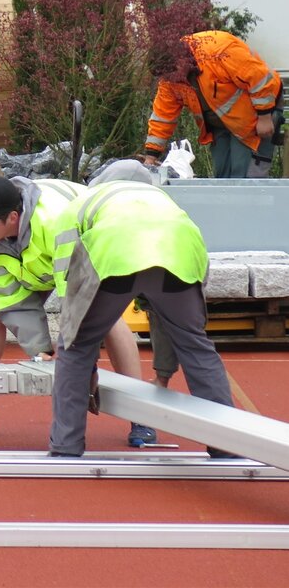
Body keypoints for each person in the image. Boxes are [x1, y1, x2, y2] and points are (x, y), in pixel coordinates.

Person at [0, 174, 157, 447]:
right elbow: (8, 299)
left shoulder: (56, 224)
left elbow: (77, 302)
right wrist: (41, 352)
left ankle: (142, 414)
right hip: (38, 261)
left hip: (89, 248)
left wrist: (80, 366)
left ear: (13, 217)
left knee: (105, 316)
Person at [48, 179, 236, 458]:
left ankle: (66, 446)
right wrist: (171, 359)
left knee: (75, 348)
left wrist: (76, 338)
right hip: (179, 251)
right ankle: (227, 445)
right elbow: (198, 263)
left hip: (115, 256)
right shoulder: (160, 197)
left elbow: (67, 274)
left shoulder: (79, 203)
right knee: (196, 346)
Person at [144, 30, 284, 178]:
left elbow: (260, 78)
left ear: (180, 61)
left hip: (257, 114)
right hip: (221, 122)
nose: (169, 80)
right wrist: (151, 157)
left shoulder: (219, 49)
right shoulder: (169, 79)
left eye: (170, 75)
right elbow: (162, 117)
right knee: (222, 173)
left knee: (244, 173)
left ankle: (249, 199)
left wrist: (265, 117)